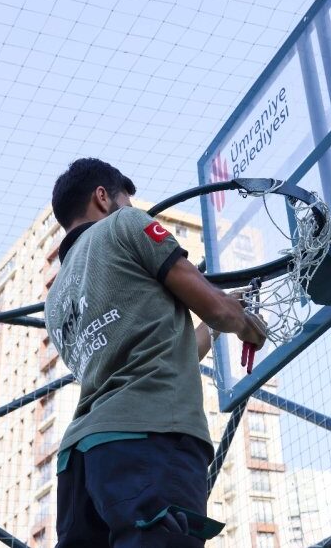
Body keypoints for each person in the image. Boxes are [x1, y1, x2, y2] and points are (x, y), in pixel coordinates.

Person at [44, 158, 267, 547]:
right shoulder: (125, 224)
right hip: (149, 439)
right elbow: (214, 305)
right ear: (102, 197)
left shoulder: (55, 300)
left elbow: (156, 354)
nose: (130, 207)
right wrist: (247, 325)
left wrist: (214, 329)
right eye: (125, 199)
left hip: (80, 463)